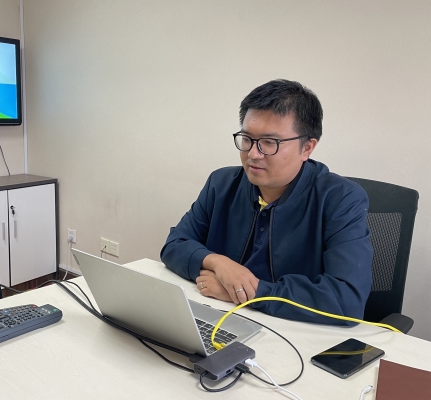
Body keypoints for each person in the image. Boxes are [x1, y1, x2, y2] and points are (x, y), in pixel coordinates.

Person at [160, 79, 373, 325]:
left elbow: (346, 301)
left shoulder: (342, 199)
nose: (253, 154)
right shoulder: (221, 183)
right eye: (247, 139)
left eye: (269, 143)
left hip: (294, 331)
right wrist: (219, 263)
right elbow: (174, 245)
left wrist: (248, 292)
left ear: (307, 148)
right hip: (222, 318)